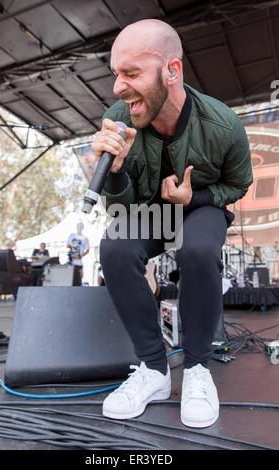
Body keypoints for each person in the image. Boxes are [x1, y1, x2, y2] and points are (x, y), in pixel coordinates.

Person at [91, 19, 253, 428]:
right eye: (116, 74)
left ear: (172, 71)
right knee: (114, 245)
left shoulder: (224, 126)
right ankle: (153, 370)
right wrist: (115, 172)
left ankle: (198, 368)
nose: (118, 87)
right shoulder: (119, 116)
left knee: (197, 249)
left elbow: (238, 184)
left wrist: (194, 197)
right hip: (151, 214)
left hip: (199, 208)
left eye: (131, 73)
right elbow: (120, 210)